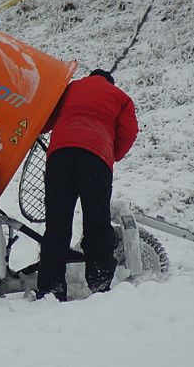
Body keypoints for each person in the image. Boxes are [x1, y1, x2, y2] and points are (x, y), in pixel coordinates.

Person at [37, 69, 139, 301]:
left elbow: (45, 120)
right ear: (109, 82)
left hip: (59, 157)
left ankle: (50, 288)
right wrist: (112, 155)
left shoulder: (70, 88)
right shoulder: (121, 97)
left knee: (57, 223)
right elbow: (129, 132)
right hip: (96, 156)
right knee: (97, 219)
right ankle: (99, 281)